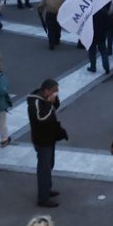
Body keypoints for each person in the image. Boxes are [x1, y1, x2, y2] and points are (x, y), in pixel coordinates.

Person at [27, 78, 68, 208]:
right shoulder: (36, 103)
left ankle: (46, 190)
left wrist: (54, 103)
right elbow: (41, 118)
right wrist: (50, 105)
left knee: (49, 165)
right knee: (44, 168)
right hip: (42, 140)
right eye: (55, 91)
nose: (57, 93)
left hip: (49, 138)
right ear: (46, 91)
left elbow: (54, 108)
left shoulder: (45, 99)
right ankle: (43, 198)